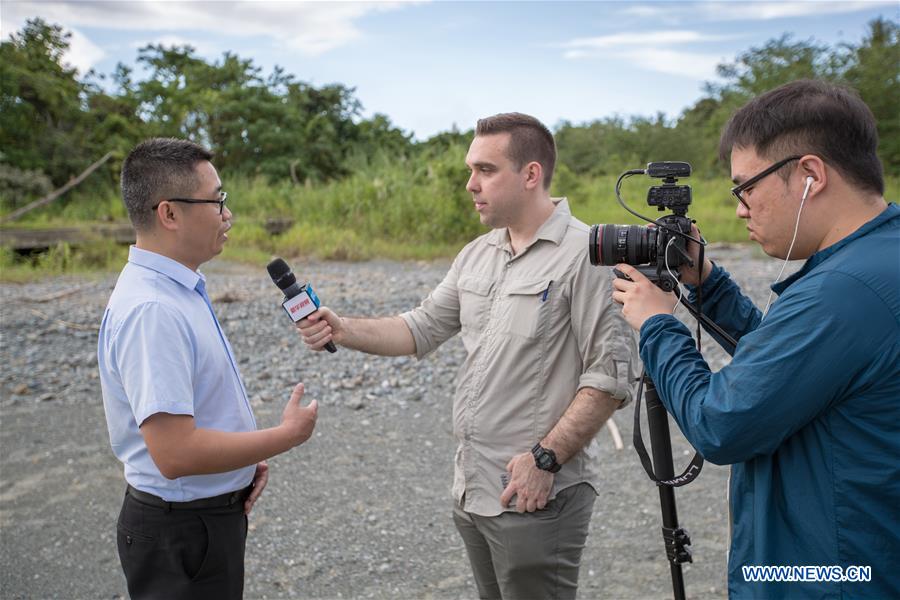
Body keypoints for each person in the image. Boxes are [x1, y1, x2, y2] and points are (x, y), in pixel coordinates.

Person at [298, 113, 638, 599]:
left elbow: (609, 378)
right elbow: (421, 328)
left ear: (530, 174)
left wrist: (545, 460)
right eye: (470, 169)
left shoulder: (588, 254)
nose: (470, 184)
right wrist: (342, 327)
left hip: (536, 492)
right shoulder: (478, 253)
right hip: (474, 488)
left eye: (485, 170)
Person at [611, 80, 899, 599]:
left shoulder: (841, 293)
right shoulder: (877, 259)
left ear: (810, 174)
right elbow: (790, 372)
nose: (741, 208)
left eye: (746, 187)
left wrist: (658, 325)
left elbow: (721, 424)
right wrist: (710, 285)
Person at [98, 138, 319, 599]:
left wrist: (241, 458)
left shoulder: (176, 286)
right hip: (181, 528)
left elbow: (195, 409)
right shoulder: (153, 308)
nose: (227, 214)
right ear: (169, 213)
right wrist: (285, 436)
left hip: (200, 518)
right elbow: (175, 454)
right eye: (217, 201)